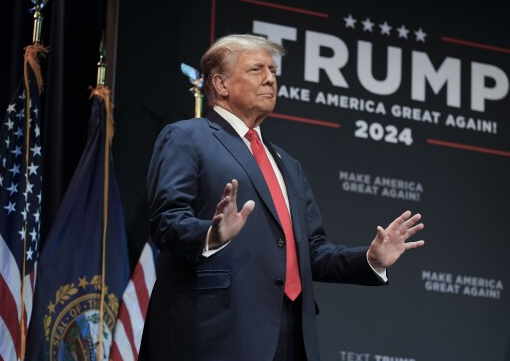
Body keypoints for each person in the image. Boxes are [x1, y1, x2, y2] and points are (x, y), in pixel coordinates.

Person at [139, 33, 425, 361]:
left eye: (274, 71)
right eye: (256, 70)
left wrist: (369, 260)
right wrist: (211, 234)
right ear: (220, 84)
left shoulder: (287, 164)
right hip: (215, 330)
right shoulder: (187, 137)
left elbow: (312, 251)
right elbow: (166, 220)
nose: (270, 79)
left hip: (291, 336)